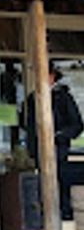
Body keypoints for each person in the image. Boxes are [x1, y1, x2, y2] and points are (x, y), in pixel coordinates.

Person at [25, 63, 84, 219]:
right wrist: (32, 148)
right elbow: (29, 125)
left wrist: (59, 135)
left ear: (52, 77)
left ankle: (63, 214)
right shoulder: (32, 98)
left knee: (59, 181)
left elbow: (76, 124)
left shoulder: (63, 97)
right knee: (43, 184)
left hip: (58, 148)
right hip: (40, 149)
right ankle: (45, 215)